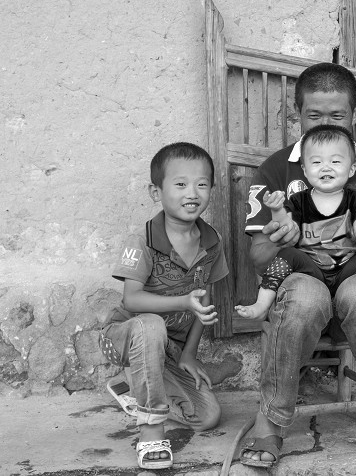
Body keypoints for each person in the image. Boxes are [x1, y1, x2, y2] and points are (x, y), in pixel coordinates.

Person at [240, 62, 356, 467]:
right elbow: (257, 258)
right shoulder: (276, 169)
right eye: (313, 115)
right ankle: (271, 423)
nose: (324, 123)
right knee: (306, 299)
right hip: (299, 288)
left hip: (354, 280)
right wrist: (278, 237)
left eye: (337, 115)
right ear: (297, 113)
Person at [99, 142, 226, 470]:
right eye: (180, 184)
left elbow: (205, 298)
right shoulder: (142, 239)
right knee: (151, 324)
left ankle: (131, 387)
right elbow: (132, 299)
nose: (192, 193)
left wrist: (188, 355)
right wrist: (182, 300)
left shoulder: (212, 242)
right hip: (126, 336)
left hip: (168, 350)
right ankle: (151, 432)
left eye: (202, 184)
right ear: (156, 192)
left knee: (208, 416)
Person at [234, 124, 356, 327]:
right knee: (286, 255)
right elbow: (287, 224)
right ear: (305, 171)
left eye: (335, 161)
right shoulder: (299, 200)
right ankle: (261, 305)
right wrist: (277, 210)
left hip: (349, 270)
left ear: (351, 168)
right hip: (311, 269)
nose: (326, 167)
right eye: (317, 162)